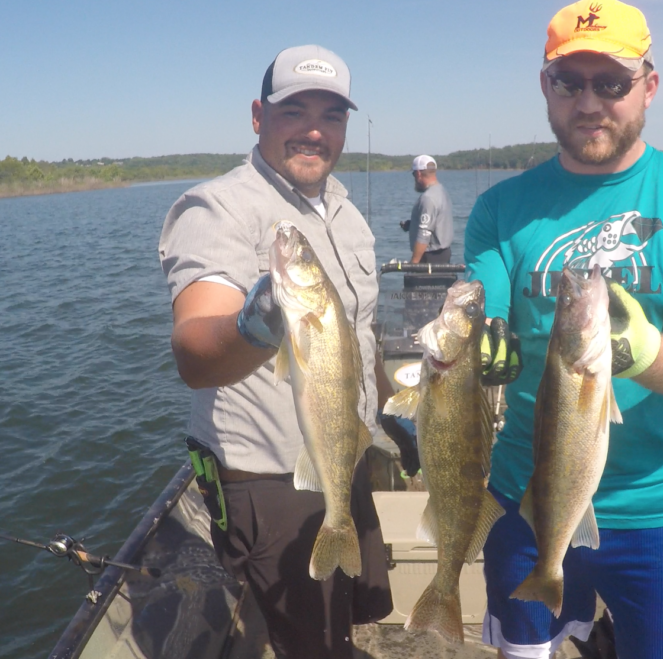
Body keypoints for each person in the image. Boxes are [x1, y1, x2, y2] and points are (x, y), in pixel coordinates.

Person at [463, 1, 663, 657]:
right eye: (570, 82)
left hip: (660, 513)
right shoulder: (499, 209)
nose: (589, 101)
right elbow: (488, 322)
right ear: (547, 88)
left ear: (649, 86)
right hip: (524, 499)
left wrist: (644, 351)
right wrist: (477, 348)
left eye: (612, 82)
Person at [158, 44, 393, 659]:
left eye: (333, 115)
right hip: (272, 485)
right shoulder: (219, 208)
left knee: (343, 619)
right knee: (307, 643)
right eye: (295, 111)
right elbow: (195, 352)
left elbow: (361, 337)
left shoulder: (345, 211)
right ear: (259, 116)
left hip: (343, 454)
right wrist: (257, 324)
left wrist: (390, 405)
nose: (315, 129)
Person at [400, 154, 454, 264]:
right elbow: (435, 222)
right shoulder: (441, 191)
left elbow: (424, 234)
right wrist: (412, 225)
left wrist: (414, 263)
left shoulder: (428, 198)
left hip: (430, 258)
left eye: (413, 174)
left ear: (418, 174)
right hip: (444, 254)